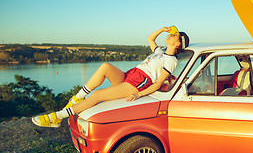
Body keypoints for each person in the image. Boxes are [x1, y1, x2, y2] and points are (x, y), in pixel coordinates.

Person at [32, 26, 189, 128]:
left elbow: (157, 84)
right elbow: (150, 38)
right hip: (130, 74)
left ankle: (58, 116)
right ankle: (78, 98)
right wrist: (162, 30)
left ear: (178, 44)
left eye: (174, 35)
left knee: (98, 95)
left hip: (139, 83)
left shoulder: (171, 61)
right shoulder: (160, 51)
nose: (171, 35)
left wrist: (138, 94)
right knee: (105, 67)